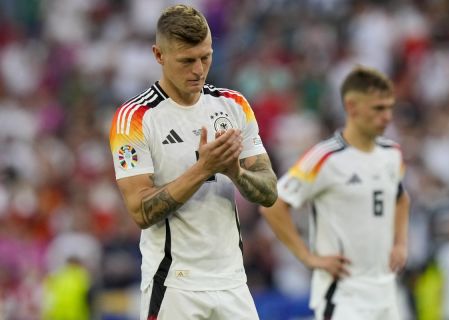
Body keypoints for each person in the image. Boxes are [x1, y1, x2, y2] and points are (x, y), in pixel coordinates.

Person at [108, 4, 277, 320]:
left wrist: (235, 172)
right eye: (187, 61)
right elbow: (140, 211)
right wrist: (204, 168)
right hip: (174, 283)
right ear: (159, 56)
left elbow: (269, 191)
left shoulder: (234, 105)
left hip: (232, 282)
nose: (199, 70)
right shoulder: (135, 119)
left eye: (206, 57)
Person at [260, 66, 410, 320]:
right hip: (344, 296)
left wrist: (401, 244)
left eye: (389, 108)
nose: (387, 117)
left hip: (386, 292)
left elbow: (401, 198)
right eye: (378, 108)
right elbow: (272, 205)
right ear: (352, 107)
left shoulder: (391, 153)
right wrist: (307, 258)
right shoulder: (324, 158)